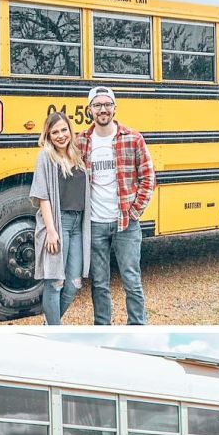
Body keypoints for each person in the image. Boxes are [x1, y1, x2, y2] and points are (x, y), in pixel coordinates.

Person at [77, 86, 155, 326]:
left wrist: (134, 211)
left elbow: (148, 176)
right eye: (98, 105)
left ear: (114, 108)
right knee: (99, 283)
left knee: (131, 279)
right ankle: (102, 329)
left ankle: (138, 327)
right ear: (89, 109)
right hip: (95, 224)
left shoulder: (132, 138)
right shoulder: (81, 141)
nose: (103, 110)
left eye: (107, 104)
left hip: (125, 223)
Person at [30, 110, 91, 325]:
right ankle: (55, 330)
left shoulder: (77, 154)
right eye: (55, 132)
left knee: (74, 283)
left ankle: (49, 324)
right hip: (59, 223)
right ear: (48, 135)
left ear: (70, 131)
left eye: (64, 130)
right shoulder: (46, 156)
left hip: (78, 225)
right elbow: (42, 195)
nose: (60, 135)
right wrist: (51, 230)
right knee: (55, 282)